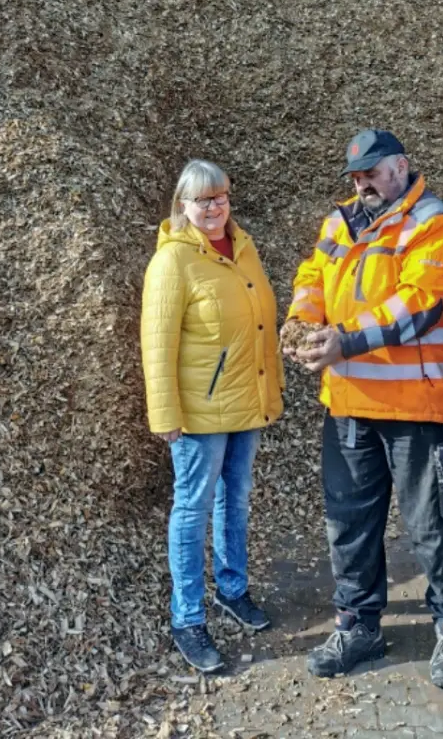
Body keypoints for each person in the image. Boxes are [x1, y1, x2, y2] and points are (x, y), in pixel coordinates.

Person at [282, 129, 443, 688]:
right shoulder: (339, 221)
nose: (362, 182)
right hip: (348, 404)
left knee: (432, 526)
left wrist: (342, 339)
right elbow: (312, 277)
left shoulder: (439, 225)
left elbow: (419, 304)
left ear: (401, 166)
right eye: (355, 174)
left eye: (372, 171)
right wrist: (303, 322)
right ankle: (358, 624)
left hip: (416, 406)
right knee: (349, 524)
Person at [140, 159, 284, 673]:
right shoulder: (172, 263)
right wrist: (166, 415)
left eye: (220, 195)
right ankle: (187, 618)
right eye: (202, 199)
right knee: (192, 509)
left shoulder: (243, 249)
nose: (213, 206)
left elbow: (262, 324)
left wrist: (273, 387)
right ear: (183, 205)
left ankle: (232, 589)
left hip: (245, 402)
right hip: (199, 414)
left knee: (235, 501)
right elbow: (157, 346)